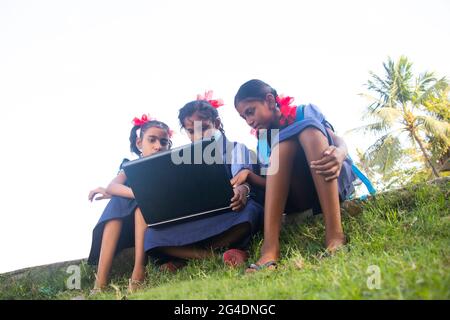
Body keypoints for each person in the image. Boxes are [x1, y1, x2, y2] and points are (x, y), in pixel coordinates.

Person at [233, 79, 357, 272]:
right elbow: (273, 184)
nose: (249, 121)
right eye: (243, 117)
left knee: (308, 130)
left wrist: (340, 153)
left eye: (250, 111)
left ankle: (335, 235)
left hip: (329, 177)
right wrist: (248, 175)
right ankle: (270, 248)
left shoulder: (304, 111)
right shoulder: (263, 140)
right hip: (297, 196)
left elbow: (335, 139)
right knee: (282, 145)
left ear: (270, 100)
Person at [143, 92, 264, 271]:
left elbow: (242, 178)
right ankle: (214, 256)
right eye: (191, 131)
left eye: (204, 128)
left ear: (217, 124)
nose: (198, 136)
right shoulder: (182, 159)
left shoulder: (235, 149)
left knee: (249, 214)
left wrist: (242, 190)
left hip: (228, 215)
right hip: (196, 220)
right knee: (152, 236)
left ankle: (187, 256)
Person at [87, 115, 172, 292]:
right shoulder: (130, 165)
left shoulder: (171, 165)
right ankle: (100, 283)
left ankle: (139, 272)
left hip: (159, 221)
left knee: (137, 205)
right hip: (130, 228)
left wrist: (138, 195)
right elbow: (113, 186)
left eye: (163, 142)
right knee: (120, 201)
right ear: (140, 143)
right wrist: (139, 193)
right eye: (152, 140)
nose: (158, 146)